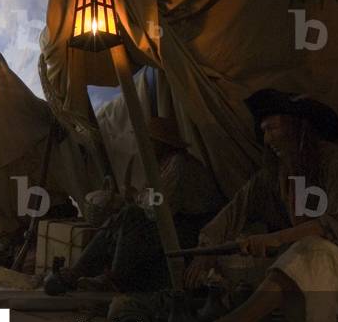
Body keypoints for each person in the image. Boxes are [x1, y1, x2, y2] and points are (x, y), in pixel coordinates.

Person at [184, 89, 338, 322]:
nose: (267, 140)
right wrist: (206, 248)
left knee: (309, 250)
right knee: (243, 256)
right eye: (263, 131)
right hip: (313, 255)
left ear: (298, 127)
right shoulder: (278, 174)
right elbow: (236, 210)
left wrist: (276, 238)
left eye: (272, 128)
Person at [62, 116, 223, 291]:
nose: (143, 146)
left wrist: (137, 200)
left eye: (148, 142)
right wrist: (137, 198)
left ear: (161, 143)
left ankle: (114, 279)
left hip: (191, 229)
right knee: (117, 221)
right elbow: (152, 200)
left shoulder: (179, 165)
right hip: (174, 223)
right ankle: (77, 273)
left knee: (130, 215)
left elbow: (159, 211)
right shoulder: (163, 166)